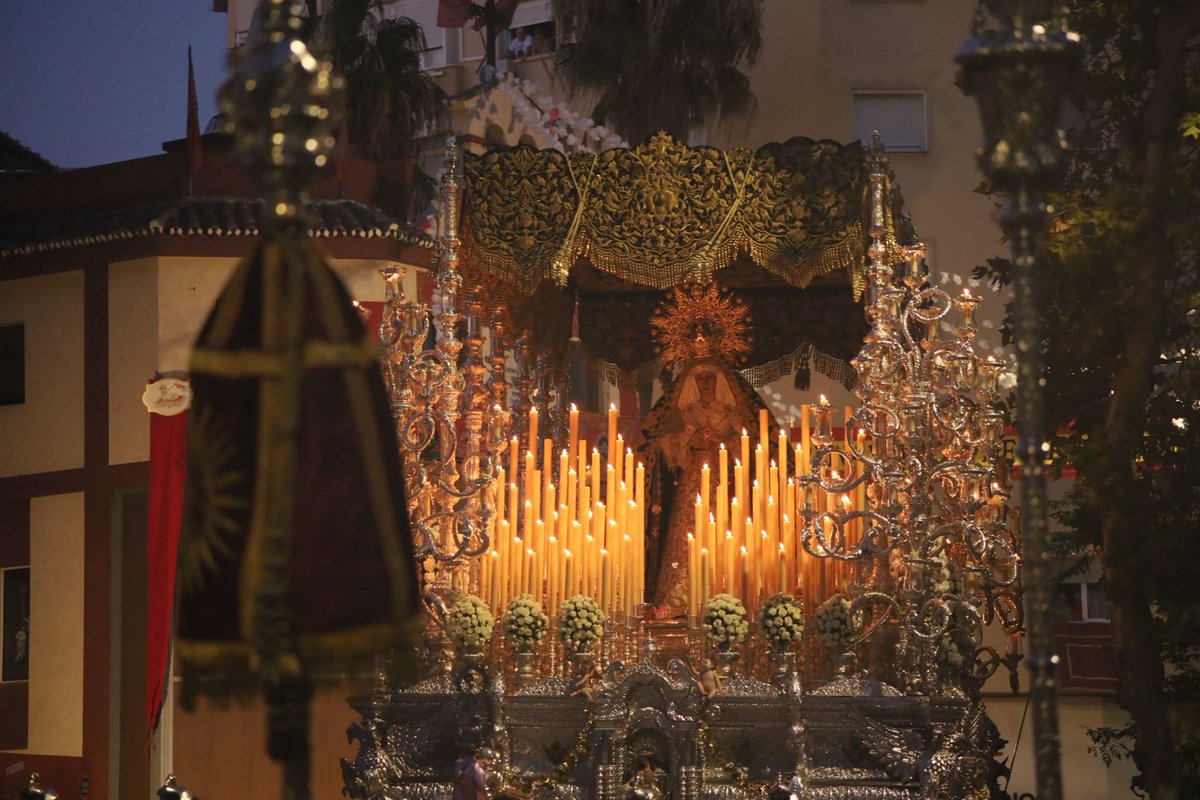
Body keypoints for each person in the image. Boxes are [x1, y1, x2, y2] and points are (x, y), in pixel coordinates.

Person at [642, 360, 763, 610]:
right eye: (701, 378)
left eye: (710, 378)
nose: (705, 383)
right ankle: (678, 593)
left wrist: (723, 442)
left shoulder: (730, 412)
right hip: (693, 474)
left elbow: (747, 444)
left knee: (722, 523)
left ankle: (723, 588)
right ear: (693, 383)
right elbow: (666, 444)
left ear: (718, 382)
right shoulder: (685, 411)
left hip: (723, 476)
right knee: (688, 525)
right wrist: (688, 438)